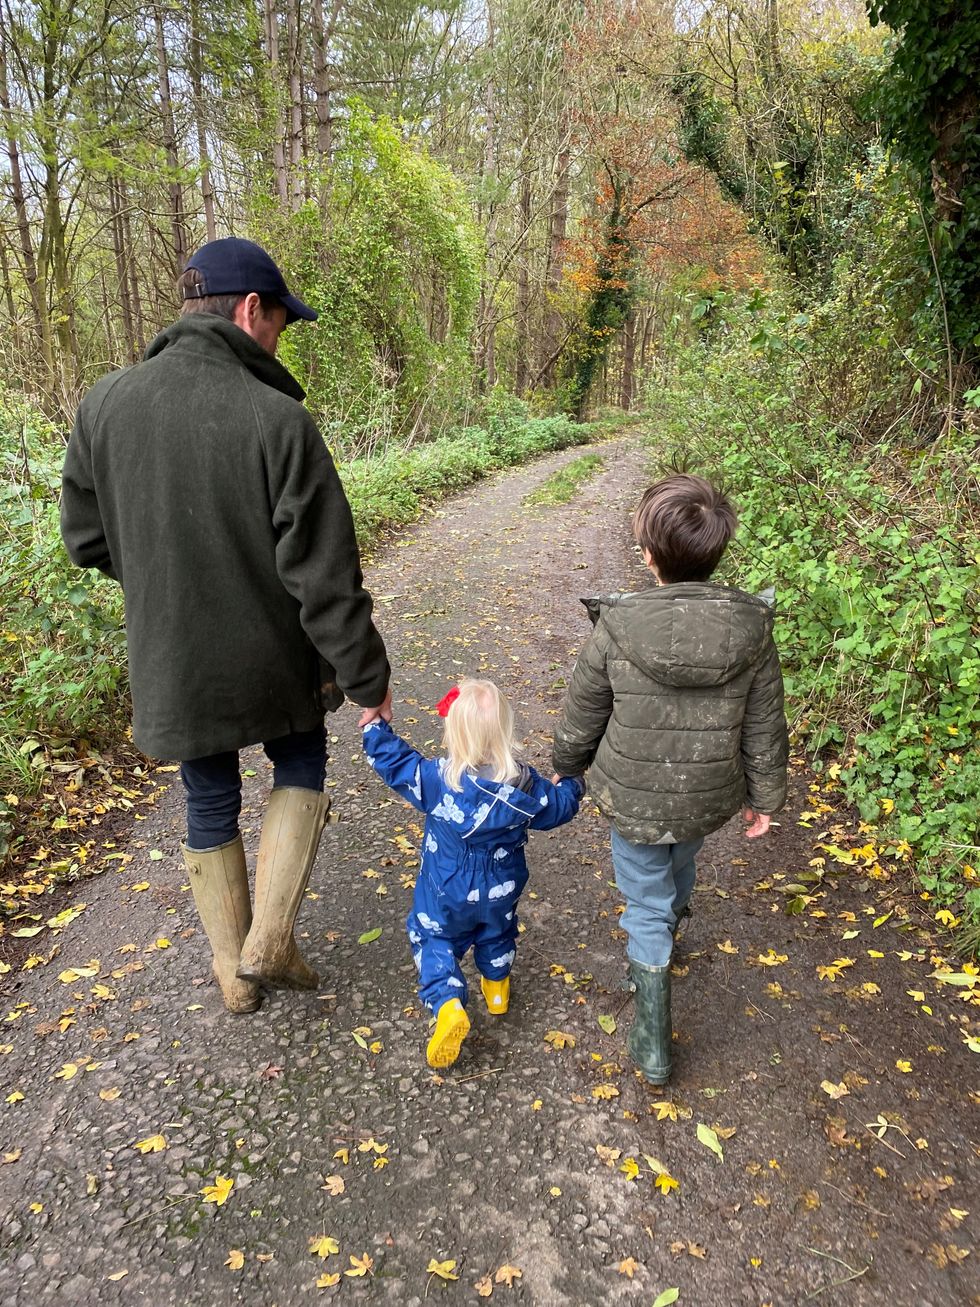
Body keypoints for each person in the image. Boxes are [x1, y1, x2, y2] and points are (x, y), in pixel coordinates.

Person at [60, 237, 391, 1014]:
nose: (279, 339)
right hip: (274, 653)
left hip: (172, 654)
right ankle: (272, 935)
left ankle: (231, 972)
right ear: (250, 310)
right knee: (301, 756)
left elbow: (84, 538)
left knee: (207, 794)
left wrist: (159, 576)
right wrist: (366, 677)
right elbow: (325, 574)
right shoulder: (278, 420)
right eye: (280, 323)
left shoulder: (102, 404)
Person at [552, 474, 788, 1084]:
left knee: (644, 899)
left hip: (633, 798)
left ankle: (653, 1036)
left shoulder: (619, 625)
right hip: (706, 793)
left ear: (650, 555)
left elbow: (585, 710)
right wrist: (765, 796)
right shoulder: (752, 629)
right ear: (717, 553)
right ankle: (669, 925)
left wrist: (566, 767)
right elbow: (764, 721)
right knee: (680, 862)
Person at [361, 680, 583, 1068]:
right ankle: (496, 989)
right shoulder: (526, 787)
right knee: (497, 930)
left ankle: (448, 1005)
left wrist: (374, 728)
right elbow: (560, 807)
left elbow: (395, 764)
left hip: (448, 888)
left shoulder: (437, 780)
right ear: (505, 732)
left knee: (432, 935)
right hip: (503, 885)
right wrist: (574, 785)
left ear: (453, 734)